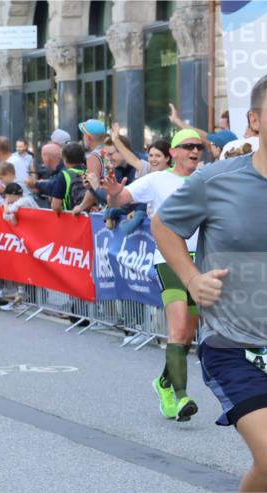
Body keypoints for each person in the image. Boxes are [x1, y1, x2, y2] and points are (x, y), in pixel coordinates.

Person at [153, 72, 267, 493]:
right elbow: (164, 225)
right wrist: (194, 277)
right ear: (255, 122)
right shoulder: (218, 180)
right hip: (236, 346)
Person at [99, 128, 205, 421]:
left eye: (198, 146)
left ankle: (163, 383)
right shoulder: (158, 179)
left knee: (187, 334)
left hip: (200, 263)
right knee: (179, 326)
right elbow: (120, 200)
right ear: (173, 152)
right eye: (188, 146)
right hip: (170, 259)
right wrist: (112, 194)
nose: (195, 151)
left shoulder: (206, 179)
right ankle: (180, 396)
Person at [49, 143, 89, 214]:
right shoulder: (89, 171)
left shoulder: (64, 175)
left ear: (65, 159)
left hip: (72, 217)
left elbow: (56, 206)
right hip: (90, 217)